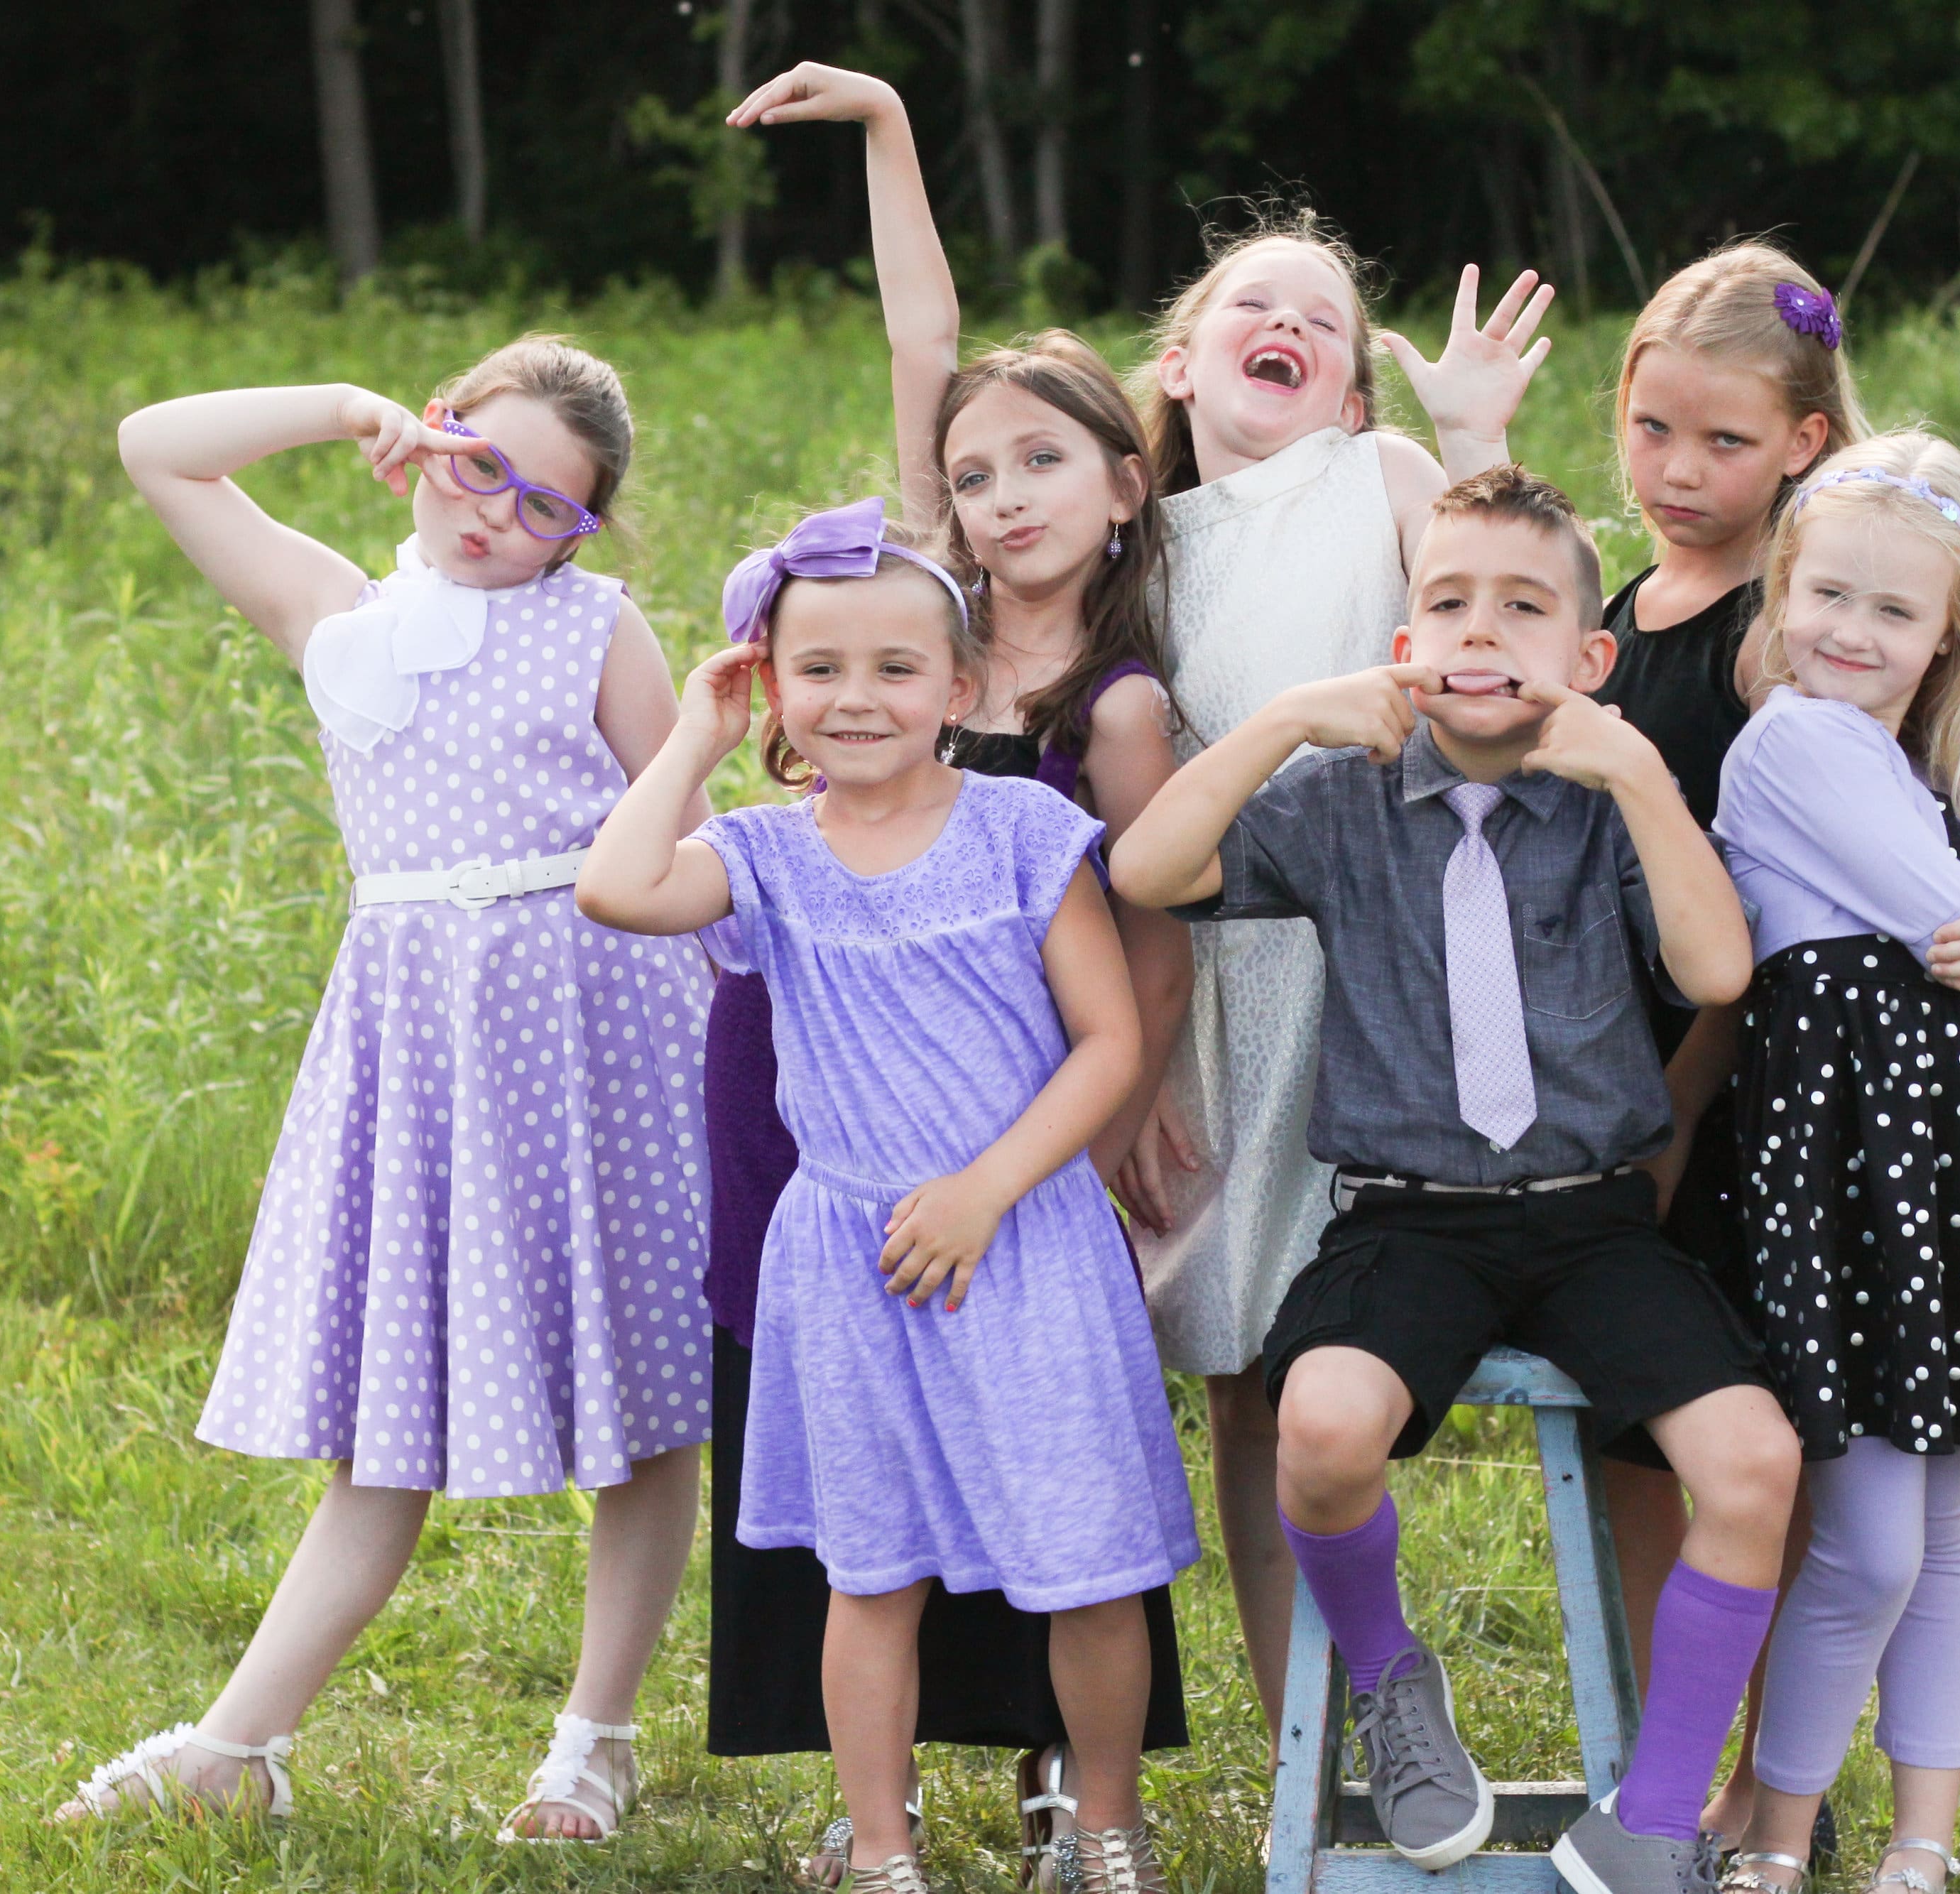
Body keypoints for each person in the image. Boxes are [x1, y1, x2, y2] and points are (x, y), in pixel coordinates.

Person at [57, 337, 712, 1844]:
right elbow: (159, 436)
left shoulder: (596, 623)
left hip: (598, 1026)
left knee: (647, 1395)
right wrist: (349, 409)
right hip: (417, 1039)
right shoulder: (335, 613)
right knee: (389, 1412)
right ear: (430, 438)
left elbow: (670, 833)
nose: (498, 516)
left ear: (582, 533)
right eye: (480, 464)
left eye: (547, 505)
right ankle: (240, 1741)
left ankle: (589, 1743)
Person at [1114, 466, 1800, 1894]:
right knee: (1317, 1426)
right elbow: (1147, 866)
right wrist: (1291, 714)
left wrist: (1635, 774)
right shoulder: (1339, 797)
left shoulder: (1610, 802)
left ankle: (1659, 1808)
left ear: (1586, 656)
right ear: (1402, 635)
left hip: (1595, 1220)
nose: (1479, 631)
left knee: (1753, 1461)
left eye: (1522, 606)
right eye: (1445, 601)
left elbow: (1715, 969)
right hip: (1406, 1218)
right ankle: (1391, 1685)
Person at [575, 499, 1201, 1894]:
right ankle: (881, 1848)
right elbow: (614, 888)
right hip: (848, 1262)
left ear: (960, 689)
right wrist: (693, 736)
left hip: (1022, 1241)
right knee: (871, 1573)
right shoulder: (765, 851)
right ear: (773, 686)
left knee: (1086, 1559)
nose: (857, 697)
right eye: (820, 669)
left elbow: (1108, 1041)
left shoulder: (1023, 829)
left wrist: (986, 1187)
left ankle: (1105, 1831)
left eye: (896, 668)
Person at [721, 67, 1192, 1883]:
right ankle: (871, 1813)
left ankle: (1073, 1800)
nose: (994, 499)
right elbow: (931, 344)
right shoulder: (913, 623)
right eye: (969, 475)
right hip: (827, 1082)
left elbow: (1140, 943)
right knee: (862, 1477)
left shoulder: (1111, 698)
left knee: (1052, 1479)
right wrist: (894, 135)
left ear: (1121, 486)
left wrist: (1118, 1126)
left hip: (1030, 1121)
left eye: (1036, 468)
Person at [1123, 212, 1557, 1725]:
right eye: (1255, 301)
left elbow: (1495, 595)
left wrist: (1469, 437)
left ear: (1351, 397)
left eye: (1323, 317)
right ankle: (1306, 1708)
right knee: (1244, 1368)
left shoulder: (1370, 478)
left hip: (1371, 968)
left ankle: (1375, 1655)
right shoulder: (1141, 540)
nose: (1289, 320)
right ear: (1179, 363)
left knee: (1343, 1341)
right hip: (1220, 980)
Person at [1656, 435, 1960, 1894]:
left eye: (1892, 612)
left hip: (1940, 1169)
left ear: (1949, 628)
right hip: (1851, 1182)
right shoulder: (1801, 746)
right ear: (1778, 589)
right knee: (1876, 1539)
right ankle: (1769, 1826)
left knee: (1940, 1519)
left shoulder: (1915, 774)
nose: (1848, 632)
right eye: (1824, 592)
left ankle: (1919, 1841)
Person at [1581, 240, 1867, 1855]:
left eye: (1722, 444)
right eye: (1648, 431)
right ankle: (1657, 1768)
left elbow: (1764, 914)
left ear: (1805, 446)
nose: (1676, 475)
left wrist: (1679, 1110)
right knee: (1634, 1440)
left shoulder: (1778, 635)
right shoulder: (1613, 620)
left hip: (1742, 1097)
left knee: (1766, 1444)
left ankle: (1779, 1785)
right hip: (1613, 1094)